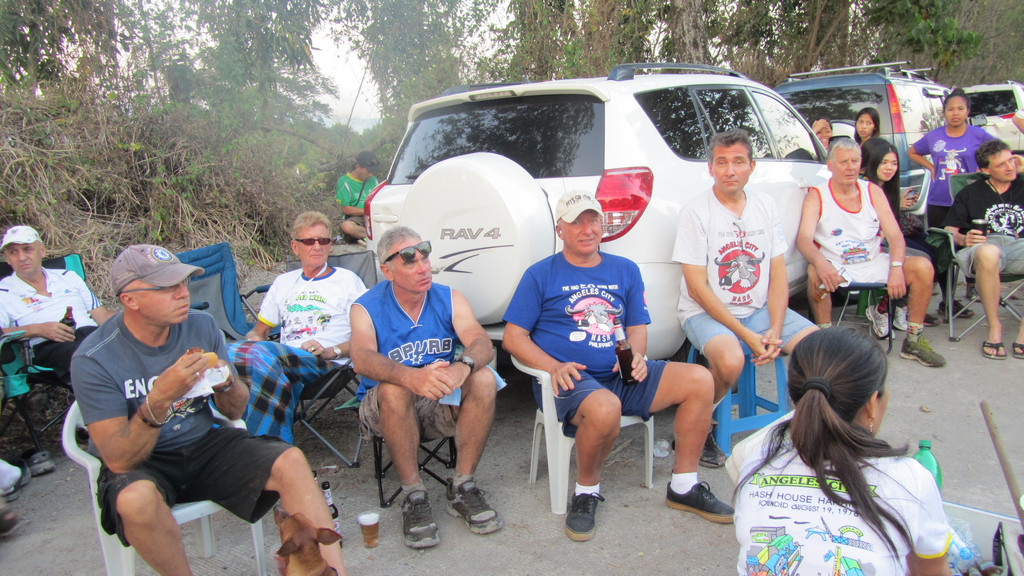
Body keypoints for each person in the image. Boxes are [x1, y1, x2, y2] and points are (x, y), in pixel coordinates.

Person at [70, 244, 345, 575]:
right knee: (135, 500)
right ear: (131, 299)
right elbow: (118, 459)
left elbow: (234, 411)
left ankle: (329, 573)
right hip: (143, 461)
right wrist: (159, 398)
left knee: (291, 460)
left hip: (202, 444)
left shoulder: (200, 326)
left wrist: (227, 384)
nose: (183, 293)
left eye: (183, 283)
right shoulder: (95, 357)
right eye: (167, 287)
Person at [503, 190, 731, 543]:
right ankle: (586, 492)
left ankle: (684, 486)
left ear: (603, 225)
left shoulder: (625, 269)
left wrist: (637, 356)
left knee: (701, 380)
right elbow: (513, 338)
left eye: (593, 220)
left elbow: (637, 327)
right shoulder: (540, 275)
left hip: (622, 375)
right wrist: (553, 367)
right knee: (605, 407)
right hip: (571, 380)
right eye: (576, 222)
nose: (587, 229)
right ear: (560, 229)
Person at [733, 328, 951, 576]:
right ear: (871, 403)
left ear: (796, 397)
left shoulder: (757, 462)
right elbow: (931, 570)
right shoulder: (911, 480)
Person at [349, 226, 504, 549]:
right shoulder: (366, 307)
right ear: (387, 271)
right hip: (383, 409)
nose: (423, 268)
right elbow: (361, 358)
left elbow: (480, 341)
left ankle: (462, 487)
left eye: (425, 257)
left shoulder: (449, 298)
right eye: (409, 261)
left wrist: (463, 366)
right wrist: (411, 377)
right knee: (394, 389)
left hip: (437, 401)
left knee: (484, 378)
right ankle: (413, 496)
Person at [672, 129, 817, 467]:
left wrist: (775, 328)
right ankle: (700, 422)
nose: (730, 170)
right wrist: (746, 335)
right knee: (731, 360)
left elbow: (777, 274)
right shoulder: (696, 211)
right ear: (710, 168)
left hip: (758, 310)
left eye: (738, 162)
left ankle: (808, 429)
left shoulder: (765, 205)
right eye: (721, 163)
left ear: (752, 166)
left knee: (821, 348)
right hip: (704, 312)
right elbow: (696, 288)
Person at [797, 138, 946, 367]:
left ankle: (913, 341)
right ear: (830, 165)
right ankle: (825, 344)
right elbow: (804, 239)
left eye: (855, 161)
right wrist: (821, 262)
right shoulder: (817, 195)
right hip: (837, 264)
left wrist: (896, 267)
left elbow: (895, 236)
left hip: (873, 260)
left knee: (923, 267)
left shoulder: (872, 191)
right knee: (815, 271)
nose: (850, 167)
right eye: (843, 162)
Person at [228, 211, 365, 441]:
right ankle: (262, 444)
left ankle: (263, 446)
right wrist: (253, 342)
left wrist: (333, 350)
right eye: (309, 241)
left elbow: (368, 335)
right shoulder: (283, 282)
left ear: (330, 245)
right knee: (227, 354)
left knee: (259, 358)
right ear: (295, 247)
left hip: (326, 363)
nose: (317, 246)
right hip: (280, 361)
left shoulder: (347, 280)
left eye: (323, 240)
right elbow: (259, 331)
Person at [909, 88, 996, 319]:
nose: (955, 113)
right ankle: (947, 301)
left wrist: (984, 171)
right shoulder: (934, 136)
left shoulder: (978, 135)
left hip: (970, 201)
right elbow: (913, 151)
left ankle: (974, 286)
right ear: (944, 112)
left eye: (960, 109)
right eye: (950, 109)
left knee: (971, 245)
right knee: (943, 251)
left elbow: (998, 152)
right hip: (939, 200)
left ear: (968, 111)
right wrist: (931, 167)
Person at [942, 139, 1024, 360]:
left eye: (1011, 161)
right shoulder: (971, 193)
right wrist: (963, 238)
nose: (1010, 167)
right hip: (982, 247)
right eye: (1001, 164)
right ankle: (994, 328)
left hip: (1019, 246)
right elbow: (949, 229)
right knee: (989, 252)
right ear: (985, 170)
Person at [1, 225, 114, 383]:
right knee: (87, 357)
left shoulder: (68, 276)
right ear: (7, 258)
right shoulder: (3, 292)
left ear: (42, 251)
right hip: (49, 346)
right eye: (13, 252)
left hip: (90, 335)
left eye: (27, 249)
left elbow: (103, 316)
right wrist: (38, 329)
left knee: (122, 346)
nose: (21, 257)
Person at [861, 137, 940, 331]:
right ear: (871, 161)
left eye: (894, 163)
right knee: (920, 260)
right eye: (884, 162)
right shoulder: (862, 187)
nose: (890, 168)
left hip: (888, 239)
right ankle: (884, 309)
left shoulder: (887, 186)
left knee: (934, 251)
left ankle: (898, 307)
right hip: (867, 245)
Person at [335, 151, 381, 242]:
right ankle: (375, 237)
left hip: (375, 216)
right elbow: (346, 209)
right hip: (357, 218)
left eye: (372, 172)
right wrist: (368, 211)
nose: (370, 174)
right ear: (358, 167)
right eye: (368, 171)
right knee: (347, 227)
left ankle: (373, 236)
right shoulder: (344, 182)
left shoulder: (374, 180)